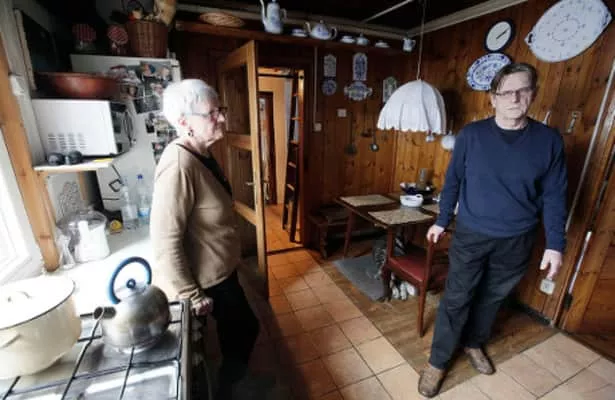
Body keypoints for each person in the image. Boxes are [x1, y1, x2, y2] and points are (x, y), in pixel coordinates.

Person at [418, 63, 568, 397]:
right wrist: (442, 220)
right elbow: (453, 181)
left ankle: (474, 343)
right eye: (506, 92)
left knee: (492, 298)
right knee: (457, 297)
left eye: (523, 90)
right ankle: (438, 362)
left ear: (533, 94)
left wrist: (555, 244)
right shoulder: (471, 135)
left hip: (518, 238)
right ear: (493, 98)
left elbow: (555, 196)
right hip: (472, 234)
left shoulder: (549, 141)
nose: (515, 98)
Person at [149, 79, 260, 399]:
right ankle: (230, 389)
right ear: (184, 122)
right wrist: (192, 295)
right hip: (209, 281)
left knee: (237, 333)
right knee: (245, 330)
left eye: (220, 109)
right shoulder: (178, 165)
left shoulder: (201, 154)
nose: (222, 117)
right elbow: (165, 241)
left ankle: (234, 382)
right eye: (212, 113)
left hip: (222, 271)